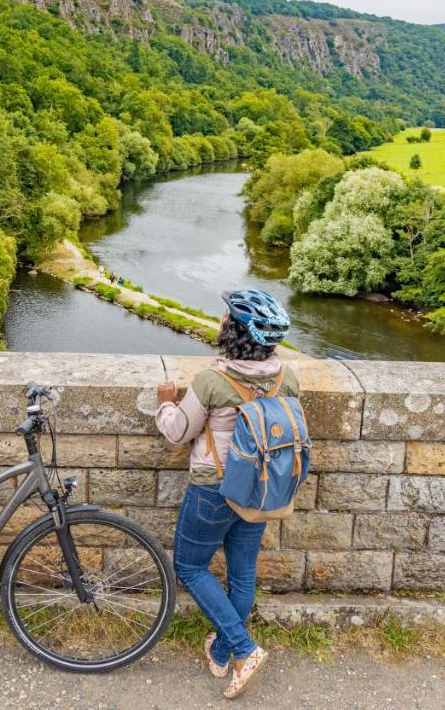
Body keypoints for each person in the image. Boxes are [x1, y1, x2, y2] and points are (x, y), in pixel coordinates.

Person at [155, 289, 296, 700]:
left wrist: (165, 404)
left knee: (189, 566)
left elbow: (179, 433)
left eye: (225, 317)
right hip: (261, 487)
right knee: (243, 572)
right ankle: (220, 650)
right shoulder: (289, 377)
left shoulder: (212, 381)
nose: (220, 320)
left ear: (234, 330)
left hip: (213, 490)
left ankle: (243, 649)